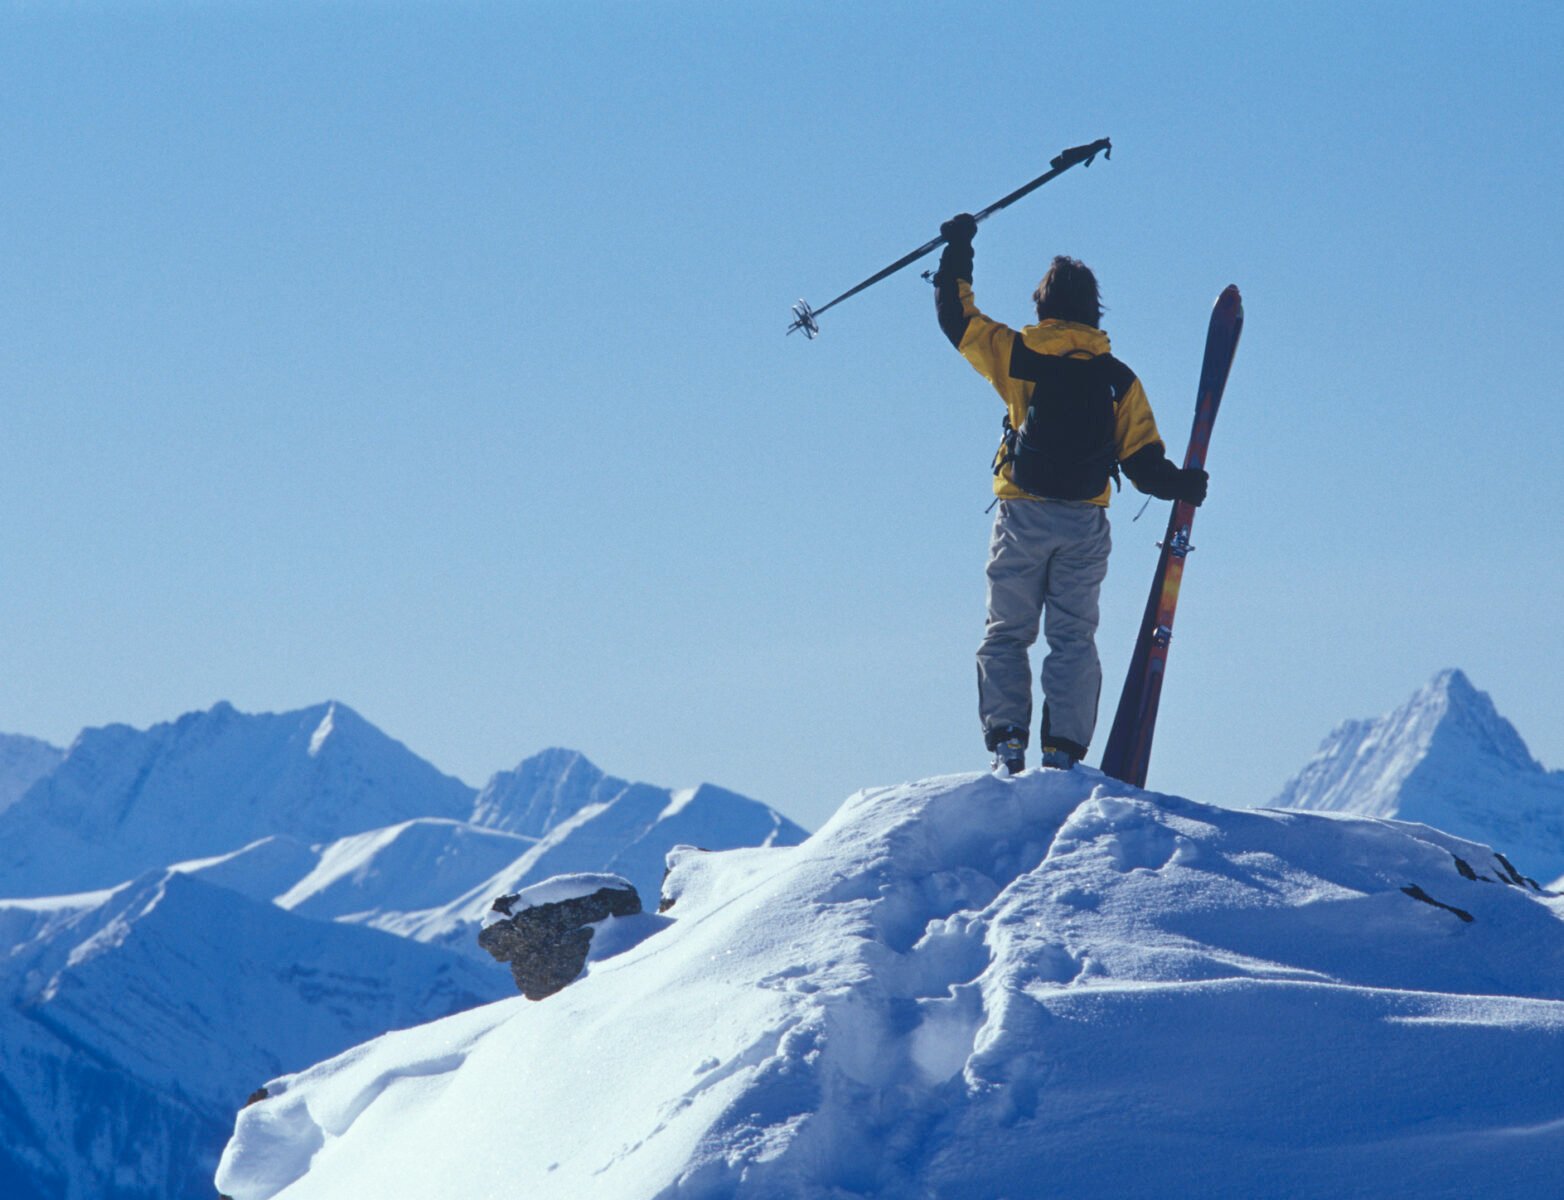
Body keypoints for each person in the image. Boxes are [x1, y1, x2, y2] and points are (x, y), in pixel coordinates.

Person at [932, 213, 1207, 774]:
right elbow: (1143, 465)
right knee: (1074, 637)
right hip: (1084, 524)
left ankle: (1008, 741)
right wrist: (1183, 484)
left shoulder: (1019, 355)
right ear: (1094, 311)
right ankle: (1063, 750)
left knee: (1007, 632)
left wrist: (958, 249)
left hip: (1022, 517)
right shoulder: (1118, 378)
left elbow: (957, 319)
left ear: (1044, 308)